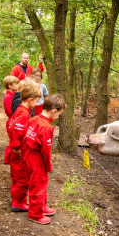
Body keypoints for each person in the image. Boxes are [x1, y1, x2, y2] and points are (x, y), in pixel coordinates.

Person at [25, 94, 66, 224]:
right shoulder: (46, 127)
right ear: (53, 111)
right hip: (37, 159)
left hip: (28, 155)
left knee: (40, 183)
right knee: (38, 185)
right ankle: (35, 214)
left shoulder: (34, 119)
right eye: (58, 115)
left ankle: (41, 206)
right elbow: (46, 150)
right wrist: (48, 165)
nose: (57, 117)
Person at [7, 83, 41, 211]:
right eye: (37, 101)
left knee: (17, 176)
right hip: (19, 151)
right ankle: (18, 202)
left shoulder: (22, 111)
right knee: (22, 178)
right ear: (30, 99)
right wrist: (16, 147)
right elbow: (15, 129)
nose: (37, 104)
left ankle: (18, 199)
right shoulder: (24, 113)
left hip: (18, 150)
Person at [3, 75, 20, 165]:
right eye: (16, 84)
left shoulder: (14, 95)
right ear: (10, 86)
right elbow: (10, 111)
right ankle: (7, 158)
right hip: (12, 121)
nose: (18, 85)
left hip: (15, 119)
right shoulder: (8, 97)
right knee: (12, 141)